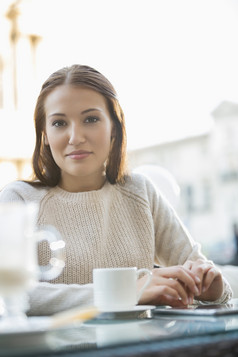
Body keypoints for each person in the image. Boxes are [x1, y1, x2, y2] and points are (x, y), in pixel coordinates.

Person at [0, 65, 232, 315]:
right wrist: (126, 292)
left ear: (114, 127)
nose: (75, 137)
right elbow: (9, 294)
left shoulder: (140, 192)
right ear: (44, 134)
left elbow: (213, 285)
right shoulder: (19, 200)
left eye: (91, 119)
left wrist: (211, 287)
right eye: (59, 123)